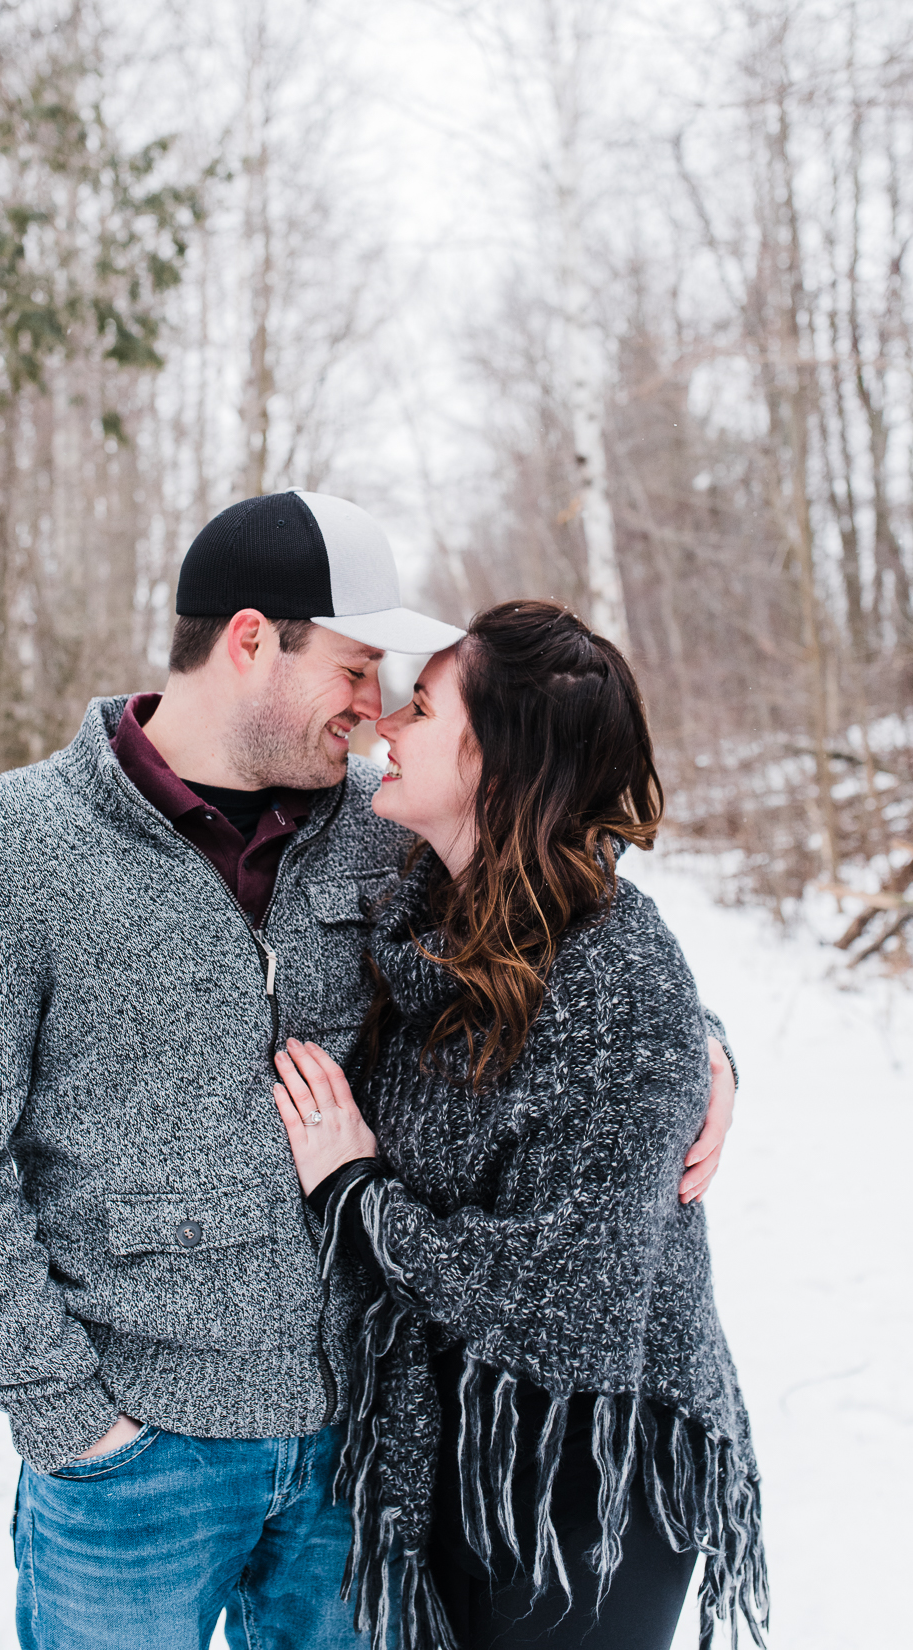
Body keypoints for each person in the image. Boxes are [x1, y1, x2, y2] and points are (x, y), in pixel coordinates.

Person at [0, 495, 735, 1650]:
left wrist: (701, 1041)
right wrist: (68, 1417)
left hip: (359, 1456)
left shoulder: (380, 827)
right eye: (353, 666)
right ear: (251, 641)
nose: (375, 707)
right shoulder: (23, 844)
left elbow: (560, 927)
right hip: (139, 1460)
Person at [271, 600, 768, 1650]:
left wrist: (355, 1193)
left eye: (418, 706)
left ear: (497, 761)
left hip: (584, 1478)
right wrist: (704, 1047)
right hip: (460, 1430)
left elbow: (563, 1297)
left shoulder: (615, 975)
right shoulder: (432, 921)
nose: (382, 730)